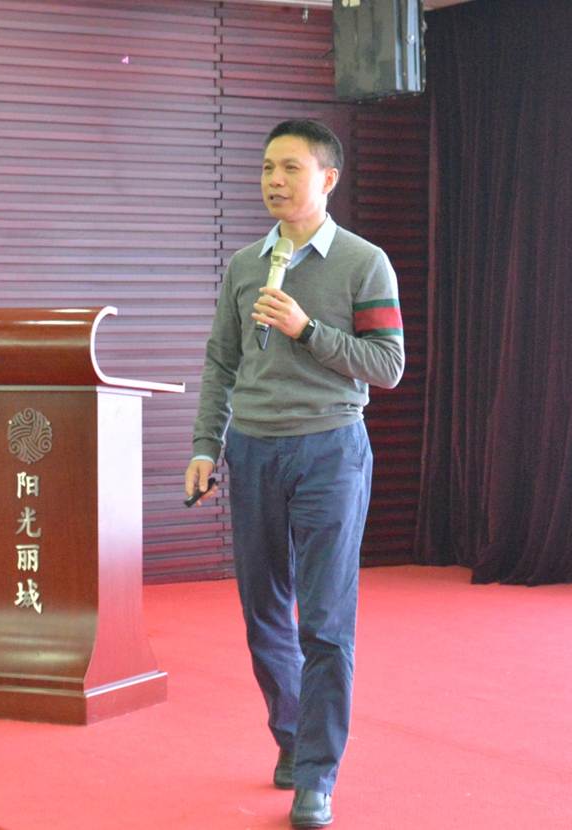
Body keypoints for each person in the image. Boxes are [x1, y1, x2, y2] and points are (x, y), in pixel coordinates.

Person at [184, 119, 405, 829]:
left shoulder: (364, 263)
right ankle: (291, 734)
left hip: (329, 450)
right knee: (264, 613)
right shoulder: (245, 264)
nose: (274, 181)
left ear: (328, 179)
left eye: (290, 168)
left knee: (326, 618)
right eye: (266, 169)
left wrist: (308, 330)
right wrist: (205, 446)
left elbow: (388, 366)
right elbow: (221, 361)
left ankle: (317, 774)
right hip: (252, 450)